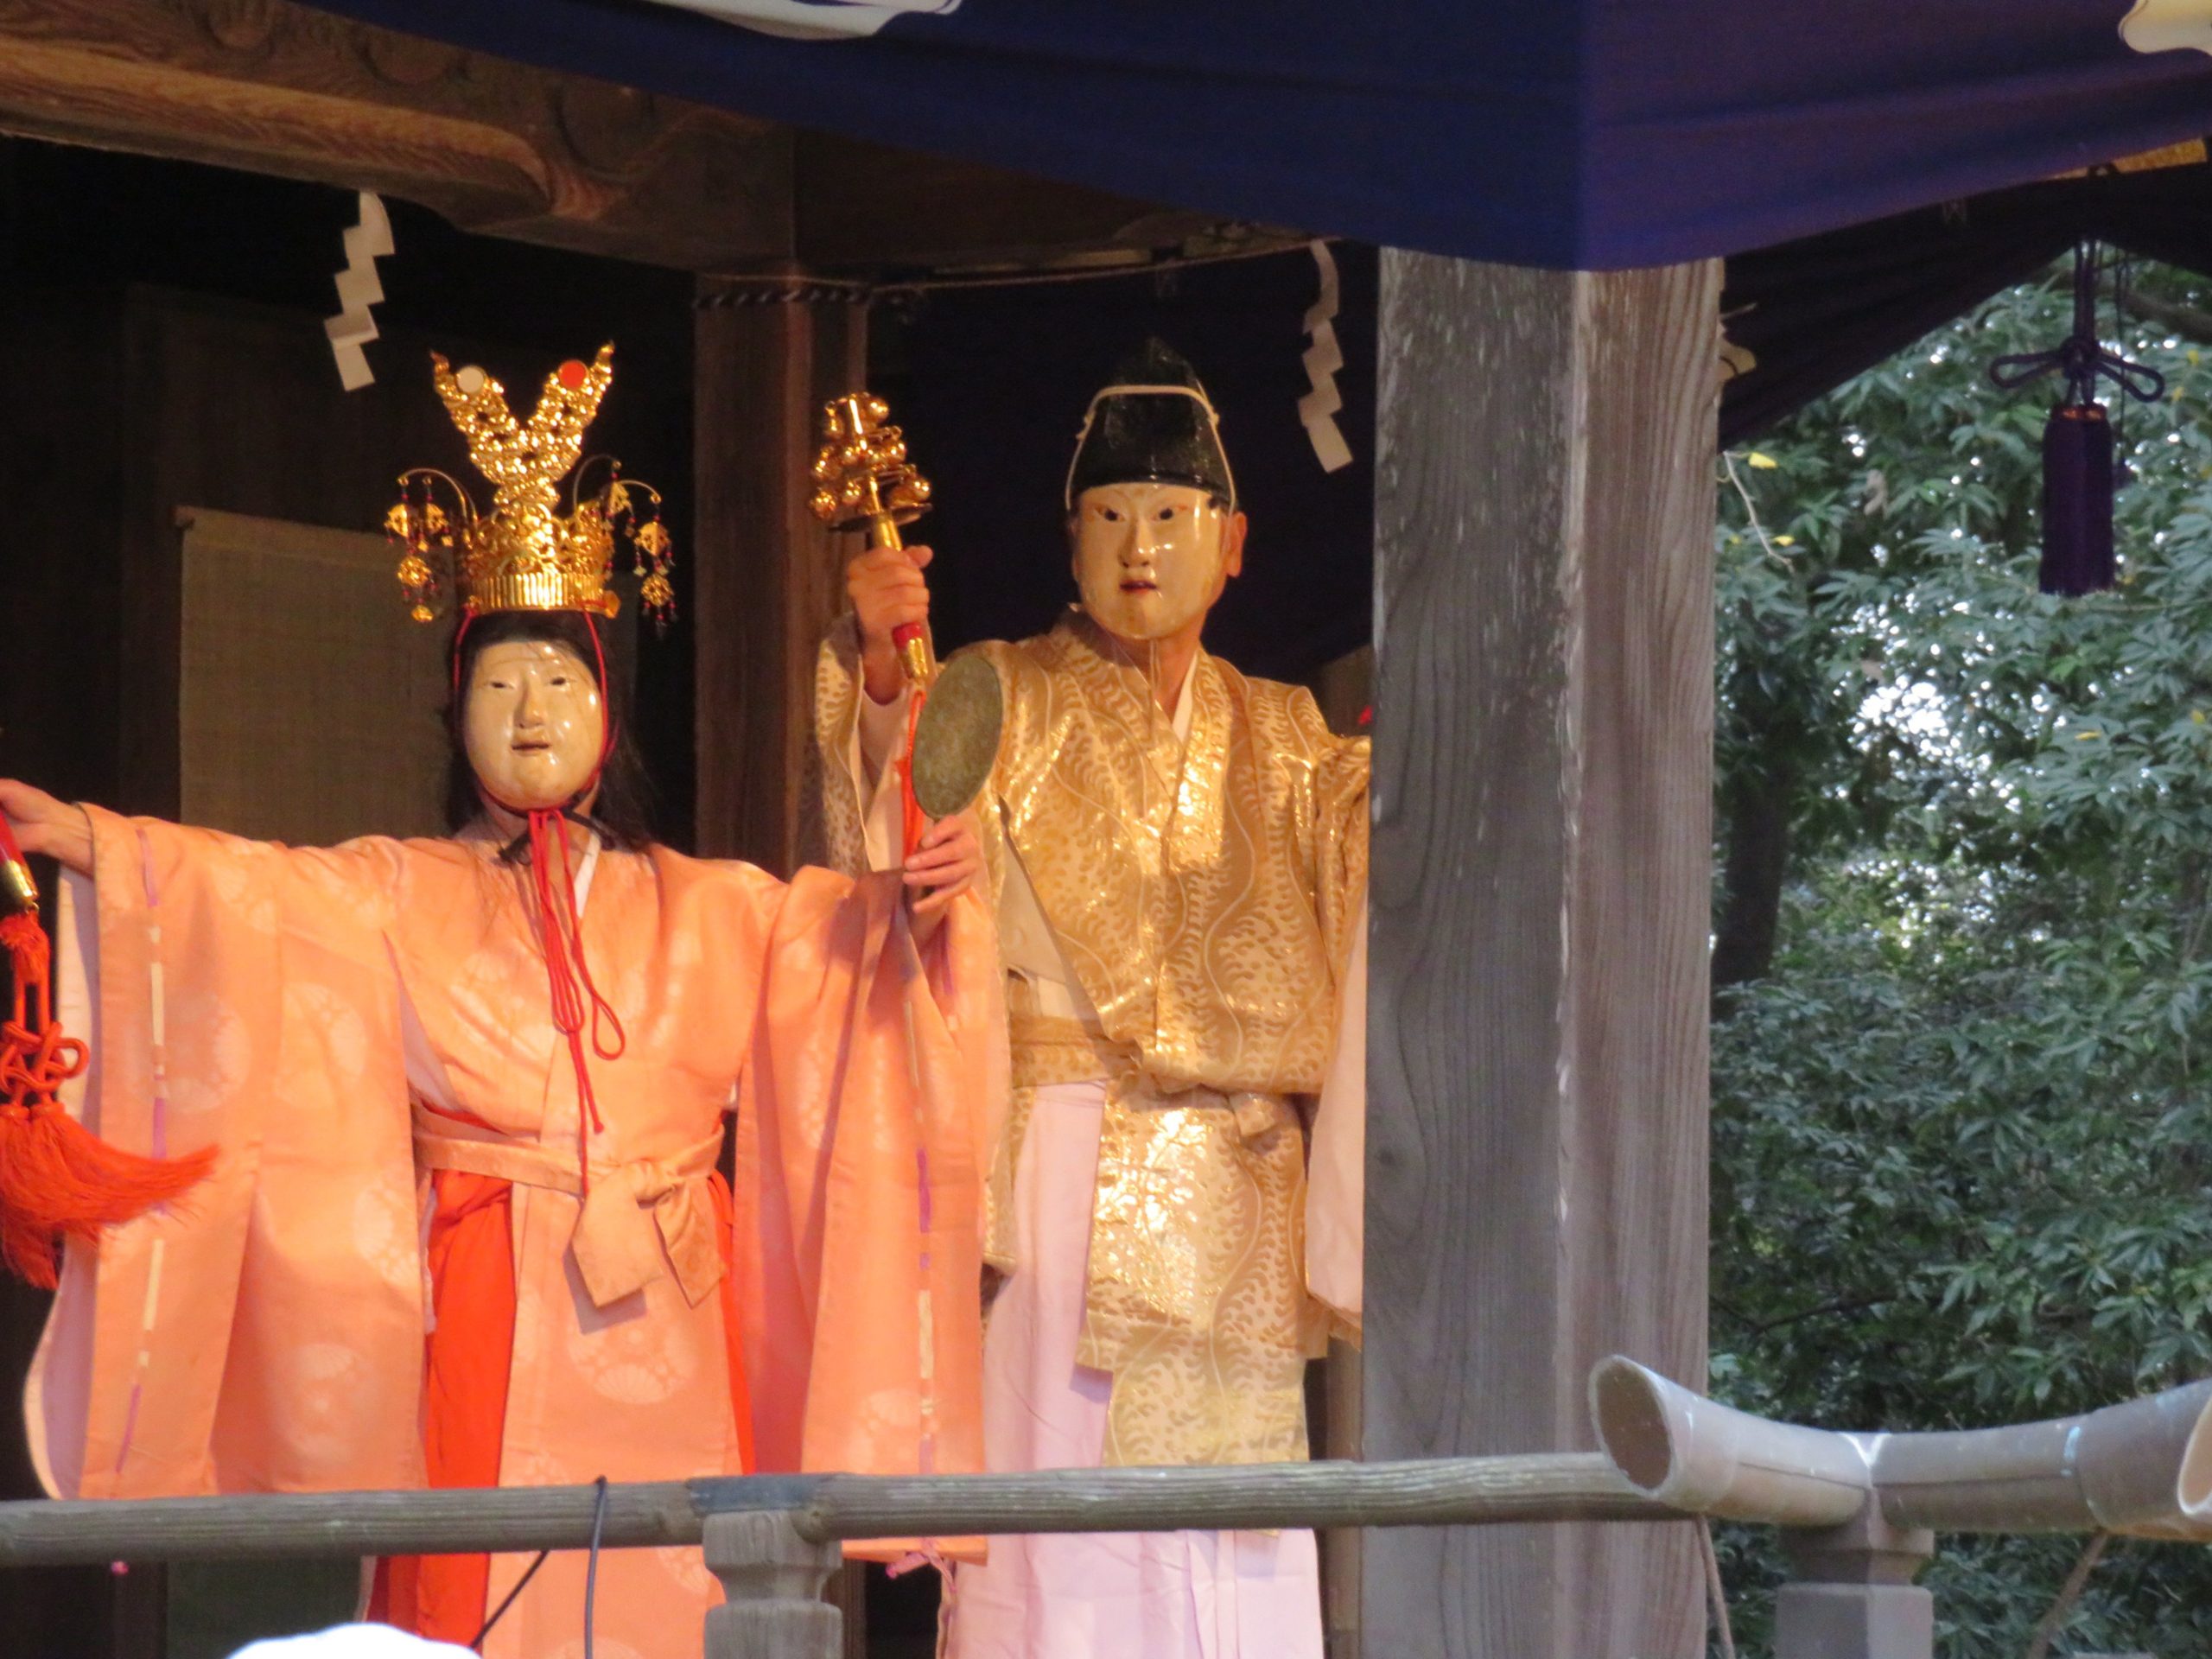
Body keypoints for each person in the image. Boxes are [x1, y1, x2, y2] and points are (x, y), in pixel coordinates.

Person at [4, 346, 1002, 1659]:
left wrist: (932, 885)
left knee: (685, 1582)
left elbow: (859, 954)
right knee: (479, 1577)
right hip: (485, 1278)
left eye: (561, 682)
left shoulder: (716, 904)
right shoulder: (393, 888)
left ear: (611, 712)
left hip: (674, 1295)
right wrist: (90, 843)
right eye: (496, 684)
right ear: (451, 715)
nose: (529, 712)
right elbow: (245, 900)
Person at [814, 340, 1369, 1658]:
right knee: (1060, 1535)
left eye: (1171, 518)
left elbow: (1377, 876)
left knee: (1234, 1545)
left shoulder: (1292, 735)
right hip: (1069, 1148)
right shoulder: (997, 690)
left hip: (1241, 1183)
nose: (1140, 546)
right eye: (1111, 517)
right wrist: (884, 677)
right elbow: (901, 839)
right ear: (1069, 540)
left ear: (1233, 543)